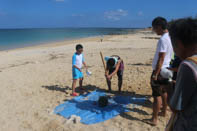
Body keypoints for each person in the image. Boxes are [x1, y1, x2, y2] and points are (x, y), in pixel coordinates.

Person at [168, 18, 197, 131]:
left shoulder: (188, 65)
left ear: (179, 44)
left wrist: (169, 88)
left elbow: (176, 107)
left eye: (173, 46)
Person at [150, 17, 174, 125]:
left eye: (154, 28)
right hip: (166, 69)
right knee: (163, 91)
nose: (153, 30)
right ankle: (164, 112)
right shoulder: (170, 37)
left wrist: (156, 73)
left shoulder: (163, 39)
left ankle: (154, 119)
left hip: (160, 70)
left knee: (156, 95)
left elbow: (161, 57)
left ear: (159, 27)